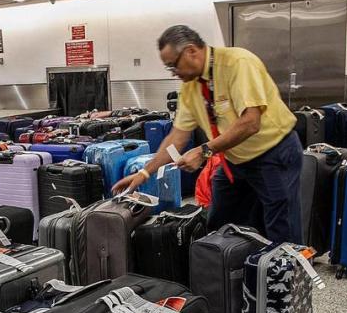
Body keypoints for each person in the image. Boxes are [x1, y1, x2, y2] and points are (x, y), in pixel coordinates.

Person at [113, 25, 303, 245]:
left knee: (281, 232)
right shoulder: (191, 88)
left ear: (191, 51)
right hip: (235, 161)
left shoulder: (238, 63)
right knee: (219, 224)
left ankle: (288, 274)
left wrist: (204, 151)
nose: (174, 72)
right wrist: (144, 174)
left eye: (173, 65)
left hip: (273, 154)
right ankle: (232, 271)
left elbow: (251, 122)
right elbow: (177, 137)